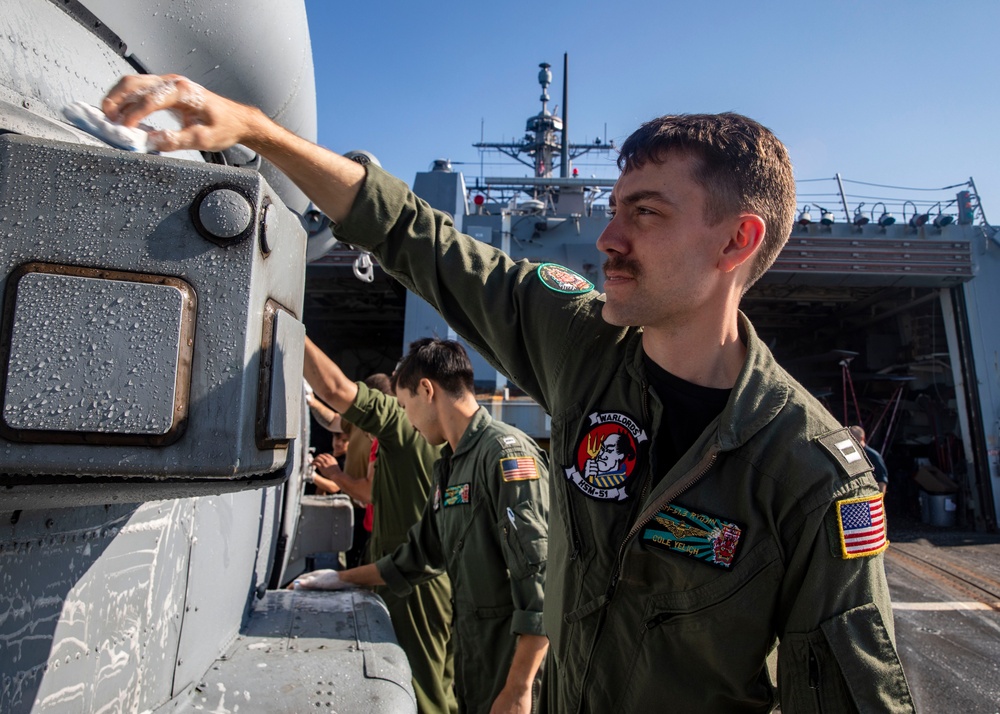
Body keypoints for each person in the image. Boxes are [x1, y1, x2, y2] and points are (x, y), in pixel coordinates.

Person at [102, 76, 914, 712]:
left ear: (738, 240)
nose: (608, 237)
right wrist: (257, 131)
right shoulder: (587, 349)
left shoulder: (810, 474)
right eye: (611, 208)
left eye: (646, 213)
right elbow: (423, 242)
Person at [298, 338, 550, 714]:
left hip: (509, 662)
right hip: (475, 653)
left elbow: (542, 583)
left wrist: (518, 689)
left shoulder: (505, 454)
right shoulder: (449, 465)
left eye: (405, 406)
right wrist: (341, 579)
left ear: (427, 390)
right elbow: (416, 557)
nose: (407, 419)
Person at [301, 340, 456, 714]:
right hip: (411, 573)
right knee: (429, 680)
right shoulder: (442, 437)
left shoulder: (400, 427)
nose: (401, 411)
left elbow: (336, 390)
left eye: (403, 404)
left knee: (422, 690)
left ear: (423, 391)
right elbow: (336, 415)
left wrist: (285, 322)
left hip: (409, 581)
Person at [850, 425, 889, 494]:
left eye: (853, 438)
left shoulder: (874, 456)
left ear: (862, 438)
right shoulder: (852, 455)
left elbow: (882, 480)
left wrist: (880, 499)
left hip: (870, 494)